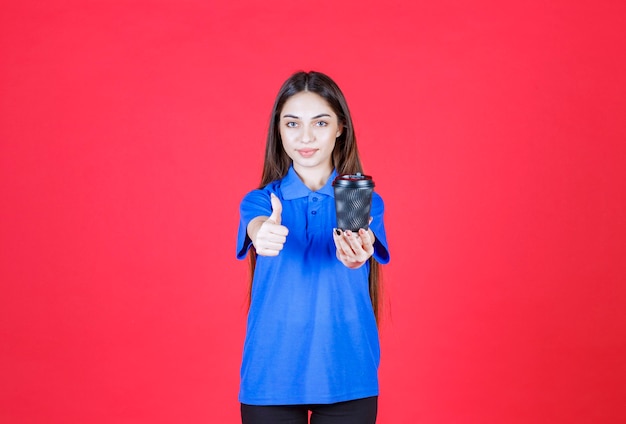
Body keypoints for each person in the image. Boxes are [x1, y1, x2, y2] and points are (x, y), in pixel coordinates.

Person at [236, 71, 390, 424]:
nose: (305, 137)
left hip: (348, 374)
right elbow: (257, 225)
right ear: (279, 130)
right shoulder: (262, 200)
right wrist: (262, 233)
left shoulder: (359, 198)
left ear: (340, 128)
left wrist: (356, 254)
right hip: (270, 375)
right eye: (292, 124)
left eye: (320, 123)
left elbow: (361, 245)